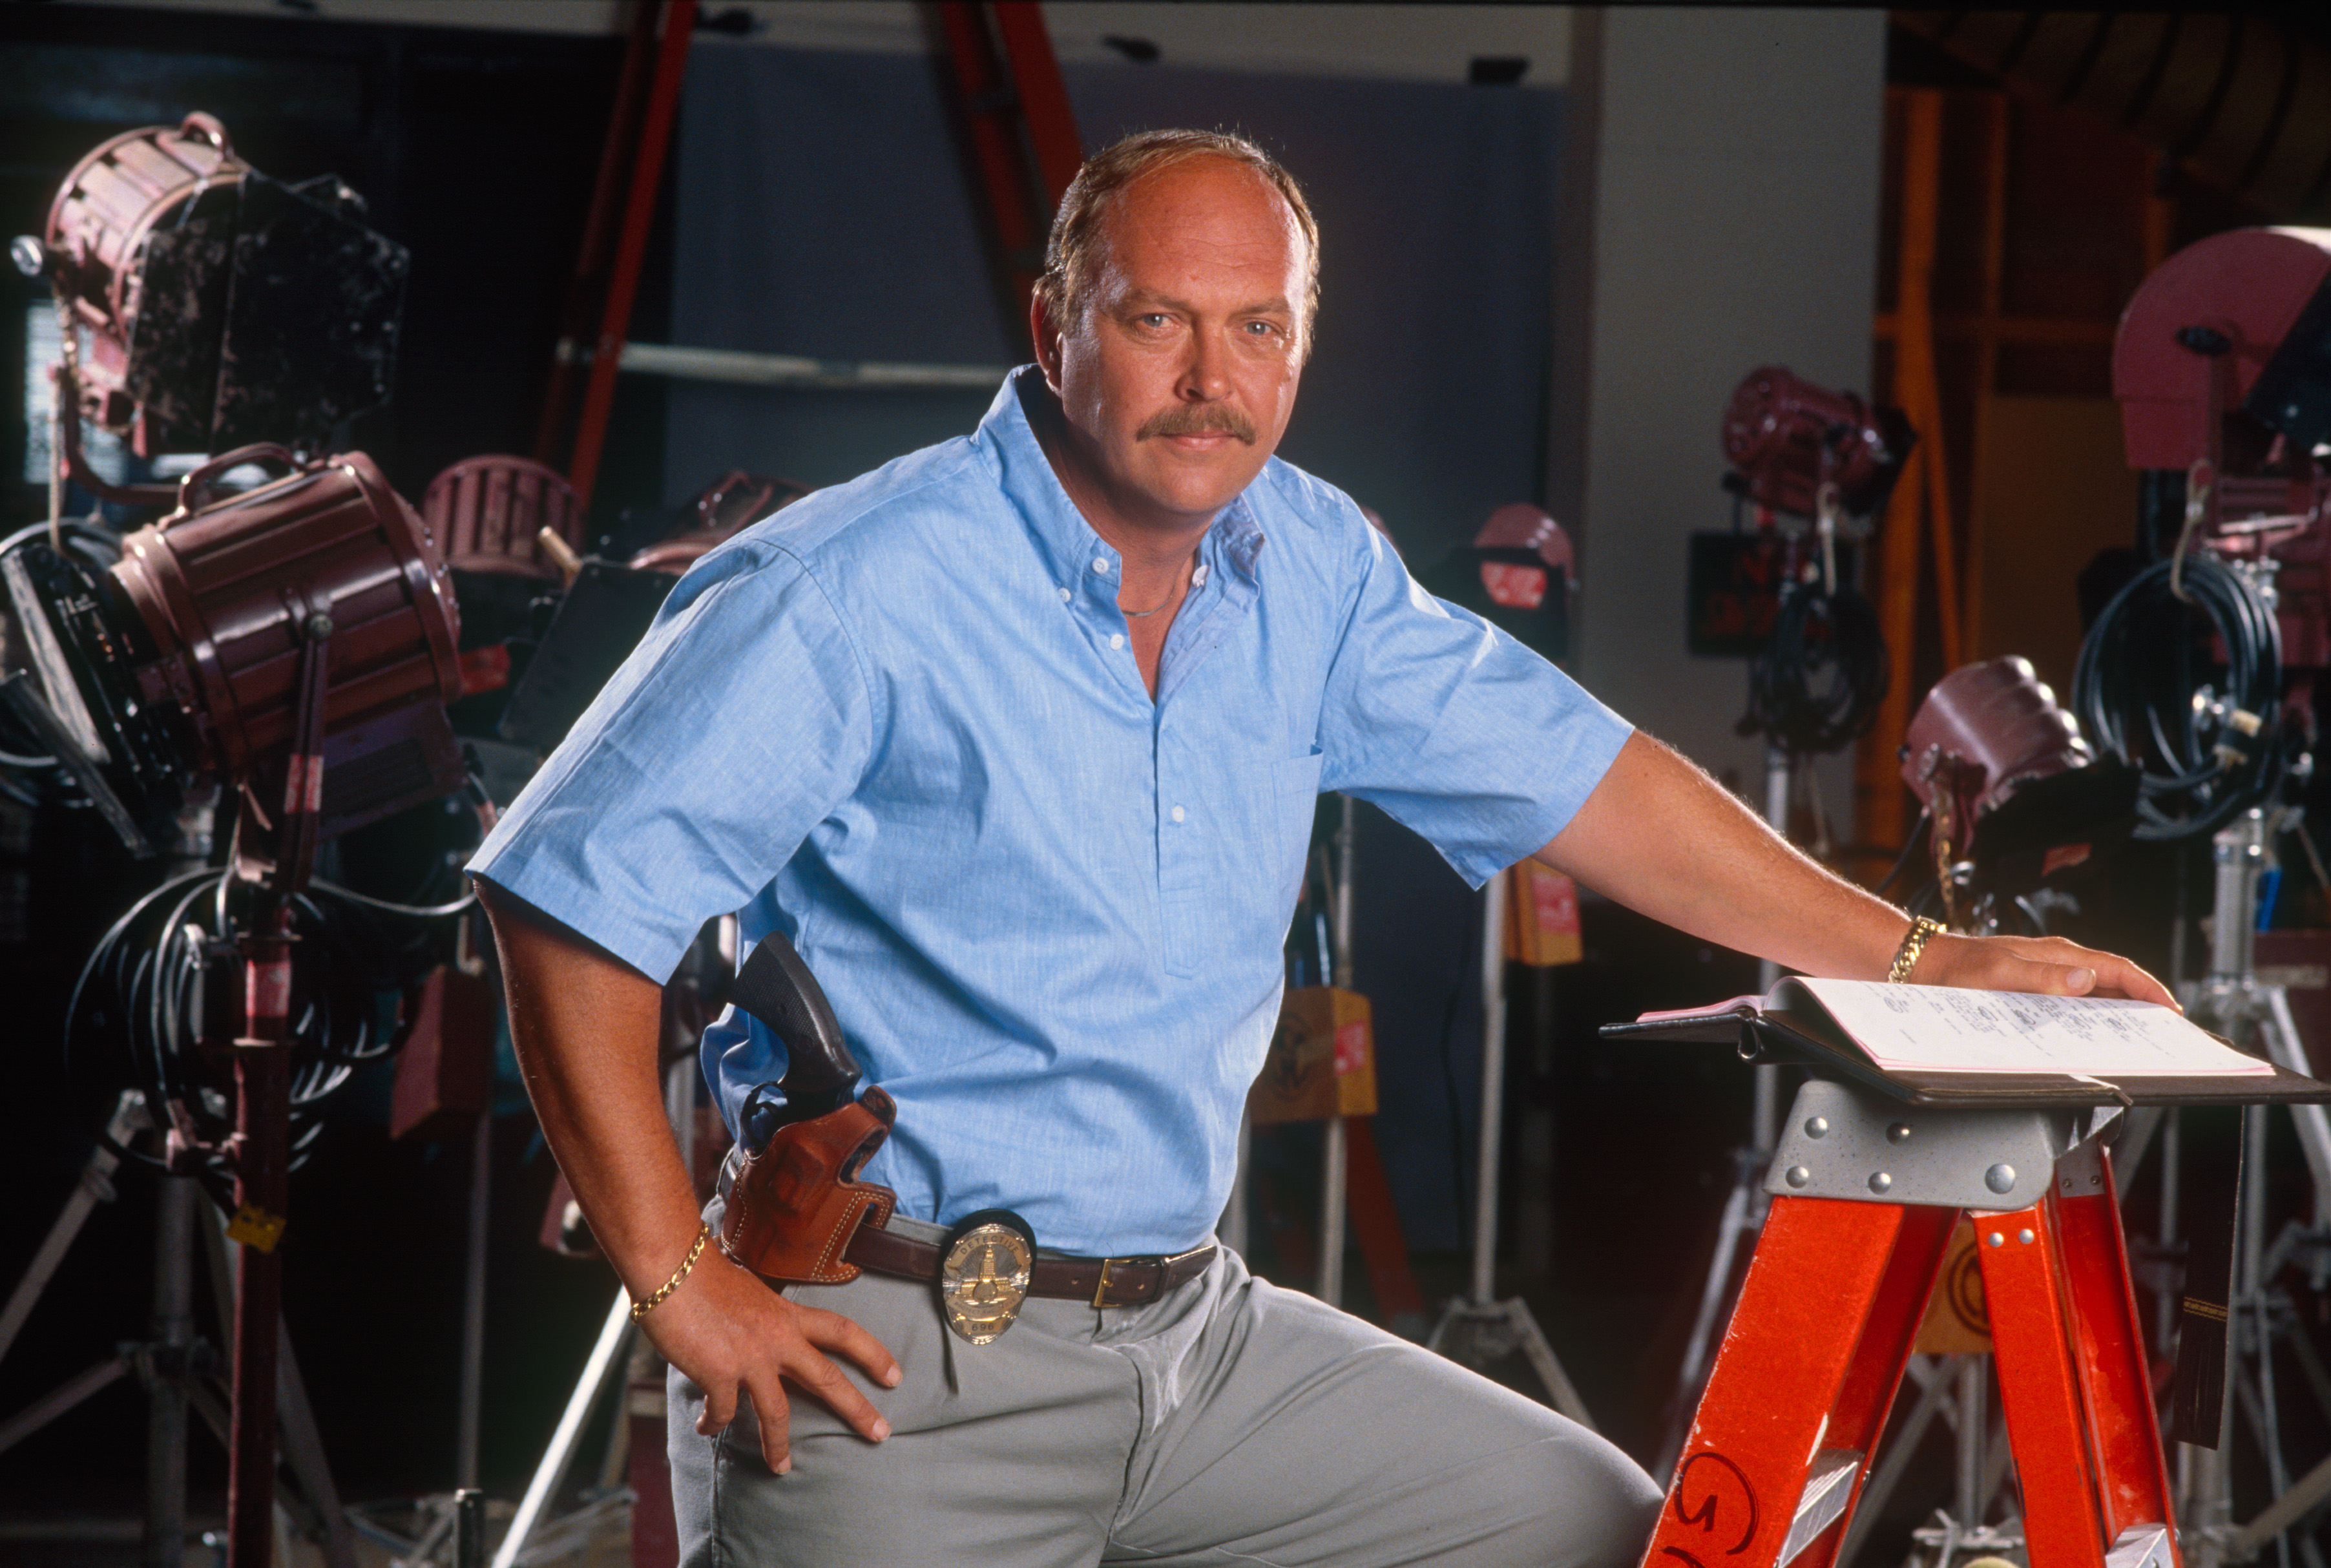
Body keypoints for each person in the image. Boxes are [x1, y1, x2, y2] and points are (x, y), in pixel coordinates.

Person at [470, 129, 2172, 1568]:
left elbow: (1594, 781)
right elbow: (566, 905)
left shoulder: (1310, 565)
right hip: (907, 1348)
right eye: (1159, 321)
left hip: (1195, 1336)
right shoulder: (853, 589)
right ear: (1058, 322)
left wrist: (1922, 957)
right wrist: (683, 1288)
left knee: (1605, 1535)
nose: (1214, 382)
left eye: (1260, 328)